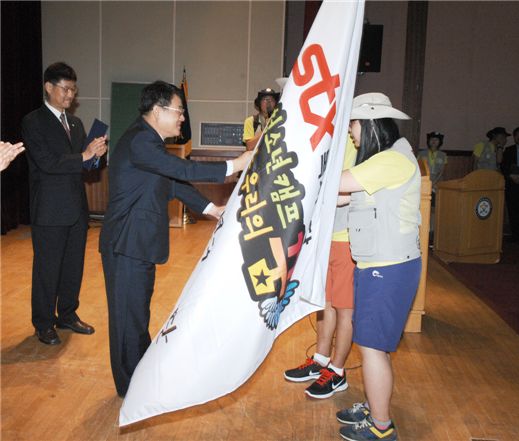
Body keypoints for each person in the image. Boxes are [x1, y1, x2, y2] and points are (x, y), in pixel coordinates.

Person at [99, 80, 253, 397]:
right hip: (126, 244)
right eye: (179, 110)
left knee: (136, 315)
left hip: (136, 243)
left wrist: (212, 209)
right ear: (158, 111)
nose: (183, 117)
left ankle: (139, 378)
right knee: (128, 319)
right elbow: (179, 169)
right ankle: (131, 390)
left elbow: (170, 182)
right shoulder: (141, 141)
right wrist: (232, 165)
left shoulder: (147, 142)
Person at [336, 93, 421, 441]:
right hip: (379, 265)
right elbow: (345, 195)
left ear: (369, 124)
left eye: (352, 126)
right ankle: (375, 406)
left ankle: (381, 427)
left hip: (387, 269)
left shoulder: (392, 160)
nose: (350, 135)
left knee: (372, 347)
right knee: (373, 346)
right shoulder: (387, 160)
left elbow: (337, 185)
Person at [21, 62, 107, 345]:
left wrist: (97, 155)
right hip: (49, 209)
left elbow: (86, 166)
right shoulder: (33, 121)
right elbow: (47, 163)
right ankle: (43, 323)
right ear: (49, 87)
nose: (70, 95)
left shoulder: (76, 123)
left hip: (76, 208)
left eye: (73, 89)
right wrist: (84, 156)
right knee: (47, 268)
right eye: (65, 89)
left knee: (73, 266)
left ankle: (67, 314)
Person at [283, 136, 357, 399]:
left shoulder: (366, 146)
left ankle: (337, 372)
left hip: (349, 237)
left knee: (345, 307)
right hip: (327, 236)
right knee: (326, 303)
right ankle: (321, 360)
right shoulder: (332, 137)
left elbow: (347, 190)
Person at [416, 131, 447, 197]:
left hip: (437, 182)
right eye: (432, 139)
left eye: (436, 140)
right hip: (424, 181)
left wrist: (433, 183)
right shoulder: (421, 154)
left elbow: (442, 171)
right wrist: (427, 181)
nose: (433, 141)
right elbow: (418, 168)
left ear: (440, 142)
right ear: (428, 141)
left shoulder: (443, 155)